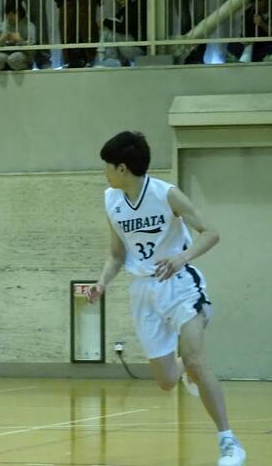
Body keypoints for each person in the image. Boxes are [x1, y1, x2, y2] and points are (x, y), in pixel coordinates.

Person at [88, 131, 246, 466]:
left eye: (107, 165)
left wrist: (181, 257)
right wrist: (101, 283)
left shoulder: (166, 194)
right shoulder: (111, 201)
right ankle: (183, 366)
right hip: (143, 293)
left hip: (179, 285)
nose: (104, 172)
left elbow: (211, 232)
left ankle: (229, 442)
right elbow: (116, 255)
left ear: (121, 168)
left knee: (197, 361)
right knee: (166, 381)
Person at [0, 0, 37, 71]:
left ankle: (25, 68)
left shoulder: (29, 26)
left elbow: (32, 51)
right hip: (4, 56)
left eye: (14, 13)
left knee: (14, 59)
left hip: (22, 57)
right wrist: (1, 41)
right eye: (7, 13)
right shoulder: (1, 26)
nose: (10, 16)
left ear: (20, 12)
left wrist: (20, 41)